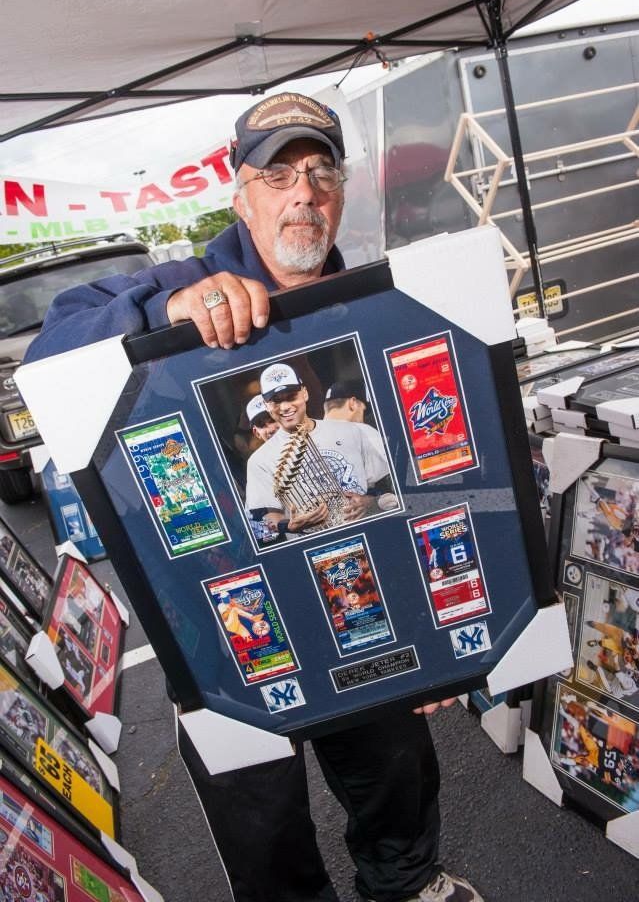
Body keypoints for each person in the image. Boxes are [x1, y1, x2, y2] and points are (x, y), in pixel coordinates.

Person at [25, 91, 482, 902]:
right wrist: (165, 310)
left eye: (320, 173)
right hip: (222, 620)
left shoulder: (378, 306)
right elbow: (51, 345)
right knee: (259, 818)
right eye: (277, 175)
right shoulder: (183, 283)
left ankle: (407, 886)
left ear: (341, 192)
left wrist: (452, 633)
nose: (303, 193)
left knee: (396, 775)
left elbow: (430, 474)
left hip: (363, 602)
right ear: (240, 196)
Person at [245, 361, 393, 537]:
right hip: (318, 547)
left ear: (305, 393)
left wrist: (372, 502)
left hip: (372, 533)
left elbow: (397, 489)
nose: (285, 407)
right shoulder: (259, 461)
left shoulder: (352, 431)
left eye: (291, 396)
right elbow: (258, 528)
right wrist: (288, 526)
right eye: (276, 401)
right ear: (267, 405)